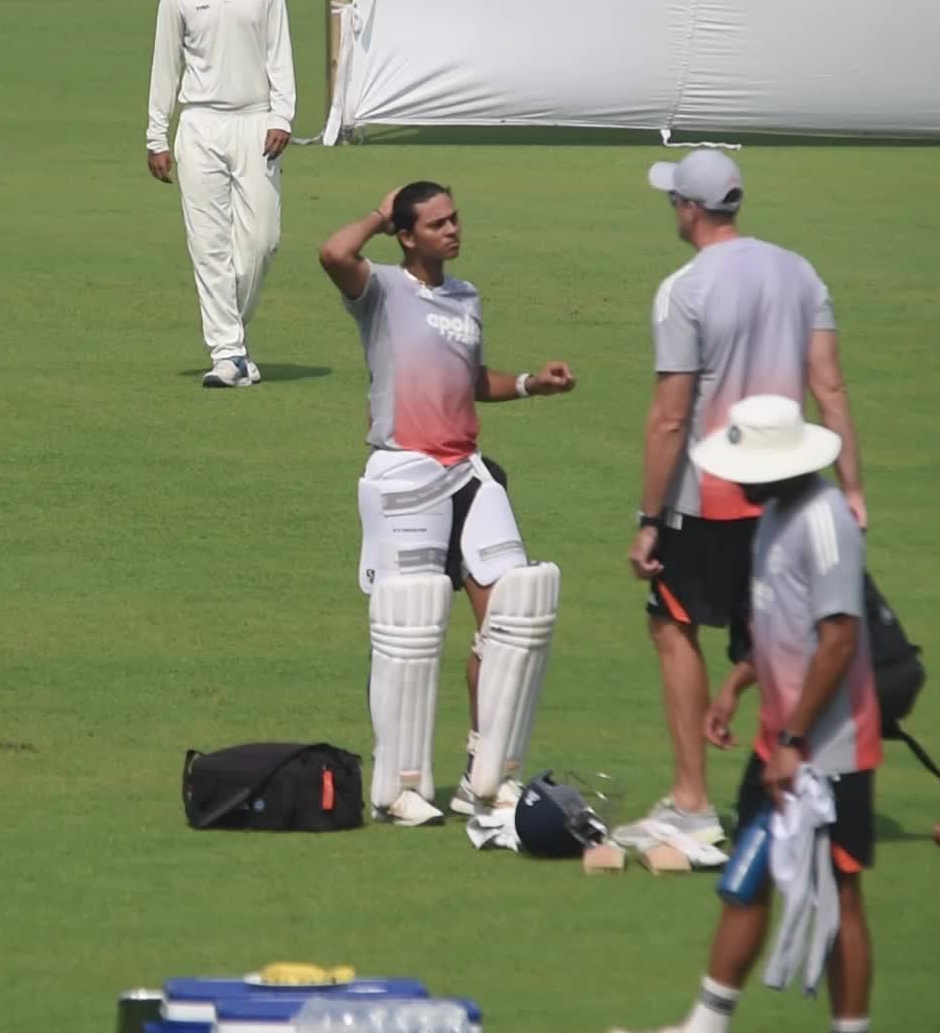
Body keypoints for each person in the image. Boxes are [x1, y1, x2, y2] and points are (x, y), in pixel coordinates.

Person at [612, 394, 880, 1033]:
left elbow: (838, 635)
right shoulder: (775, 515)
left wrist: (793, 738)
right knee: (747, 879)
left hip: (829, 748)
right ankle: (706, 1023)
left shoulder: (824, 521)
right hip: (780, 738)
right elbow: (782, 620)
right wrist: (735, 685)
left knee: (839, 891)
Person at [619, 149, 864, 848]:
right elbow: (831, 387)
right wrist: (851, 491)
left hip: (710, 497)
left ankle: (692, 802)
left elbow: (670, 416)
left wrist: (647, 521)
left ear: (690, 209)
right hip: (794, 491)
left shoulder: (685, 288)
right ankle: (798, 792)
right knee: (783, 643)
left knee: (673, 627)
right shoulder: (799, 271)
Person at [318, 182, 577, 826]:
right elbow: (331, 252)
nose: (453, 230)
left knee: (515, 617)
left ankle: (486, 776)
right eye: (437, 224)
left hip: (467, 470)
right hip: (406, 469)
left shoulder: (467, 298)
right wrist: (380, 213)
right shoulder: (379, 288)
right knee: (410, 629)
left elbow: (470, 380)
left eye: (455, 218)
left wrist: (527, 385)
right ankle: (400, 785)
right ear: (407, 236)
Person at [146, 0, 296, 388]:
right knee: (209, 245)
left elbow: (279, 52)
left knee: (261, 242)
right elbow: (165, 67)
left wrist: (281, 117)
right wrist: (157, 136)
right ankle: (228, 354)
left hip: (256, 120)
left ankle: (233, 342)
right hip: (199, 123)